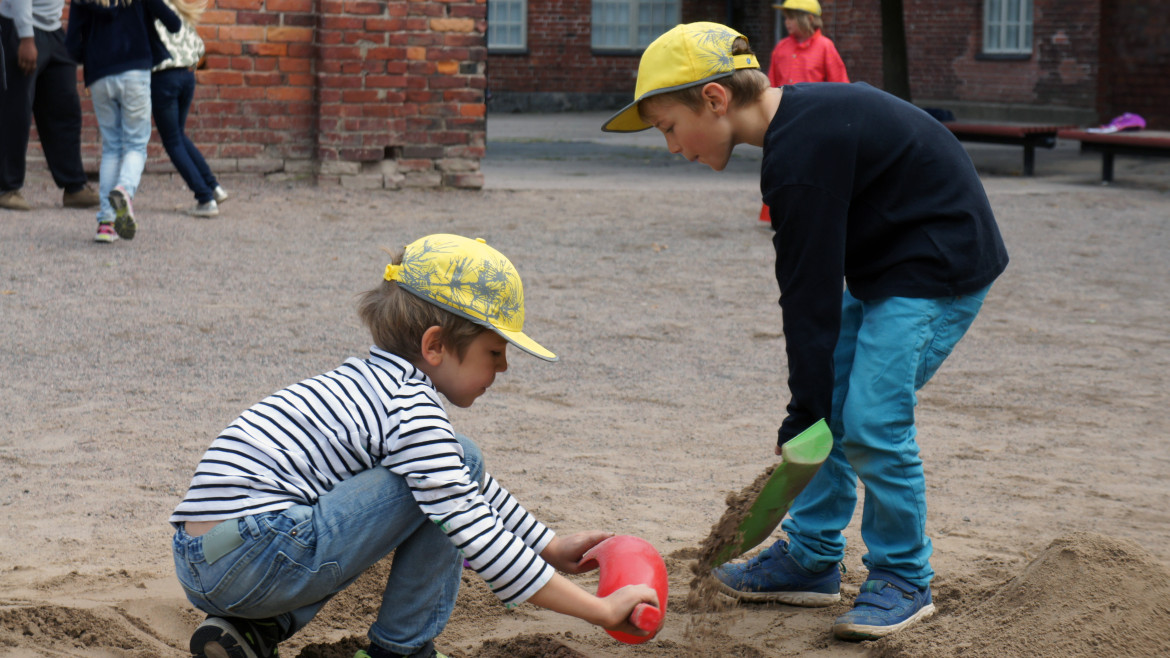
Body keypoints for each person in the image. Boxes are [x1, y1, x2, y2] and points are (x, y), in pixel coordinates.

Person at [603, 23, 1008, 641]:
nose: (671, 146)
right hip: (888, 268)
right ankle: (812, 558)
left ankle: (903, 575)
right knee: (833, 409)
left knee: (870, 419)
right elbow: (811, 294)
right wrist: (812, 408)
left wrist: (804, 411)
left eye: (667, 127)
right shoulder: (797, 134)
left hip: (938, 268)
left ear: (714, 99)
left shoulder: (799, 154)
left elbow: (809, 297)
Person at [170, 233, 660, 658]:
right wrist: (597, 610)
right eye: (495, 352)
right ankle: (401, 651)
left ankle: (253, 632)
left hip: (201, 560)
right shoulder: (411, 407)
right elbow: (471, 527)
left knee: (447, 465)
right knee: (447, 487)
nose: (504, 368)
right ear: (435, 346)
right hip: (261, 555)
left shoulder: (363, 383)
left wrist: (547, 545)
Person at [65, 0, 180, 242]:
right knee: (136, 145)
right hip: (134, 71)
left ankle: (106, 224)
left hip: (99, 76)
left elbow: (72, 46)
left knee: (112, 147)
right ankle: (124, 190)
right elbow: (174, 23)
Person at [0, 0, 100, 212]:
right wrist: (26, 37)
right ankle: (6, 188)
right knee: (16, 110)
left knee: (65, 107)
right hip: (19, 27)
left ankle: (74, 186)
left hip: (53, 30)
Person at [759, 0, 848, 224]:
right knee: (780, 166)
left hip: (816, 122)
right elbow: (771, 85)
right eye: (786, 17)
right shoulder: (781, 48)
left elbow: (841, 87)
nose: (786, 22)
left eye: (791, 17)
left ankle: (811, 213)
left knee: (813, 169)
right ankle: (779, 213)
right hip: (785, 119)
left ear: (808, 19)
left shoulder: (825, 47)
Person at [150, 0, 227, 218]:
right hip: (187, 76)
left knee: (172, 141)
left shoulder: (149, 9)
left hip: (164, 77)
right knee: (178, 136)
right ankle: (213, 186)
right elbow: (199, 46)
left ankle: (205, 198)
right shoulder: (177, 8)